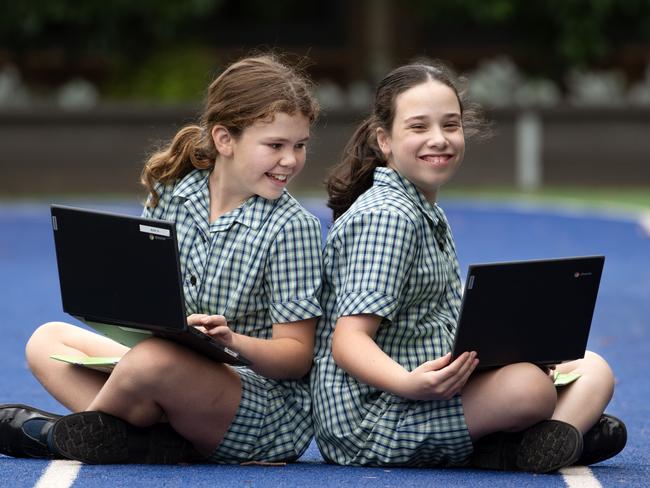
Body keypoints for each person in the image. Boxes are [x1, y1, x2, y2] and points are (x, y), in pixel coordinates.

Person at [0, 54, 324, 465]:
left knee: (153, 361)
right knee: (45, 340)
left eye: (300, 146)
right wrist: (116, 306)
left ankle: (57, 436)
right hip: (166, 368)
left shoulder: (293, 227)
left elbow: (296, 357)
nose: (291, 160)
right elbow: (149, 304)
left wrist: (230, 341)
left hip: (262, 410)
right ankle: (145, 441)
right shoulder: (174, 192)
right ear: (225, 139)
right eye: (275, 145)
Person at [310, 60, 626, 473]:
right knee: (530, 389)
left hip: (440, 381)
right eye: (419, 127)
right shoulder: (388, 216)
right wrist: (411, 384)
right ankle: (515, 444)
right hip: (376, 416)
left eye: (451, 125)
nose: (439, 139)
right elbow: (348, 341)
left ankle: (533, 443)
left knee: (594, 369)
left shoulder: (423, 209)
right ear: (384, 140)